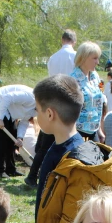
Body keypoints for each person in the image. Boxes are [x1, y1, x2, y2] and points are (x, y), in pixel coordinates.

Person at [32, 75, 112, 223]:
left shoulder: (79, 167)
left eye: (36, 110)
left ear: (49, 114)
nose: (35, 116)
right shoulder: (56, 148)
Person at [25, 29, 78, 188]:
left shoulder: (53, 58)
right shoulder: (76, 57)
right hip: (67, 103)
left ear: (62, 40)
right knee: (66, 142)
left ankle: (33, 175)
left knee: (45, 143)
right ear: (74, 41)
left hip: (51, 101)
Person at [71, 42, 107, 142]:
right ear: (83, 58)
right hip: (77, 131)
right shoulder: (72, 80)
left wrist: (99, 129)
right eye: (94, 58)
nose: (98, 62)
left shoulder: (96, 77)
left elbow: (99, 103)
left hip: (94, 130)